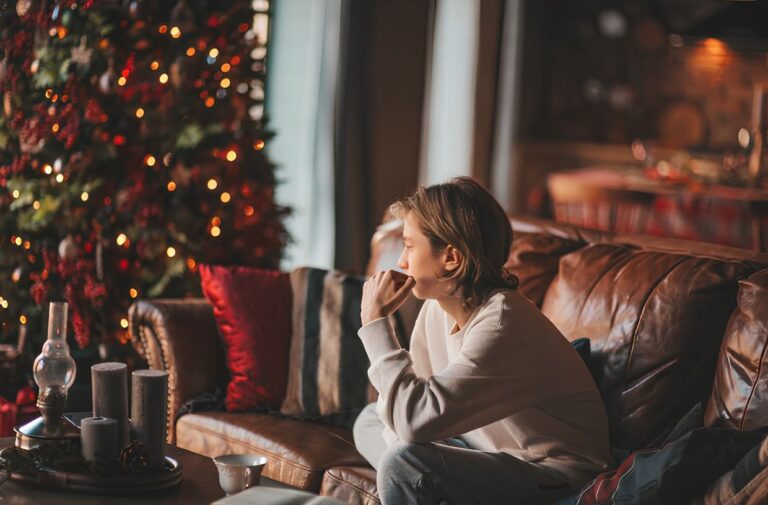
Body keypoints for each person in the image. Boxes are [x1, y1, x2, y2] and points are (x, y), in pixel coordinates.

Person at [353, 177, 611, 505]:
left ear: (451, 259)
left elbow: (413, 420)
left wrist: (375, 324)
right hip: (482, 446)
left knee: (402, 462)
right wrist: (412, 431)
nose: (401, 261)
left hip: (554, 474)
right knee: (370, 418)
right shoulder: (438, 307)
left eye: (409, 245)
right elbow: (410, 407)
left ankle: (428, 485)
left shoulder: (505, 323)